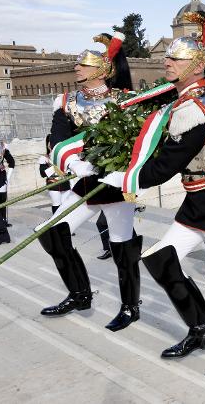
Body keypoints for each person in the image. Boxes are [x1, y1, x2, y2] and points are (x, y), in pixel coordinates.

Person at [101, 6, 205, 379]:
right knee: (160, 260)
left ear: (197, 65)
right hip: (197, 201)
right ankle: (202, 329)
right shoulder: (192, 98)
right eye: (167, 56)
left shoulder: (196, 108)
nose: (166, 62)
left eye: (175, 58)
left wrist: (119, 177)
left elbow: (162, 167)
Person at [35, 32, 142, 333]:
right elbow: (57, 138)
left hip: (114, 183)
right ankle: (79, 293)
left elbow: (136, 140)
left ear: (100, 70)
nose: (76, 68)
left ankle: (130, 306)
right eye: (77, 64)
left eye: (83, 64)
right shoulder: (67, 101)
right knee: (51, 233)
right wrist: (71, 163)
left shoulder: (122, 101)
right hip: (84, 179)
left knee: (123, 247)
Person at [38, 134, 71, 214]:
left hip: (65, 182)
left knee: (65, 205)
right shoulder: (44, 158)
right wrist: (54, 167)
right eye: (51, 143)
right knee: (56, 204)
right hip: (53, 184)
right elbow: (43, 174)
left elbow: (69, 171)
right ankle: (56, 223)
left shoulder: (64, 156)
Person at [0, 140, 15, 228]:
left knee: (2, 200)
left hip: (0, 177)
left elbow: (12, 162)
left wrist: (8, 178)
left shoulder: (2, 147)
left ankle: (3, 220)